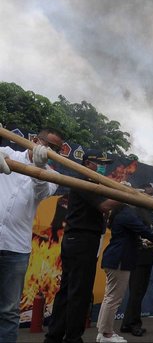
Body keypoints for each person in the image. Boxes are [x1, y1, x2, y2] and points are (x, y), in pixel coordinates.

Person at [45, 149, 120, 343]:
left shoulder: (92, 183)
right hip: (81, 241)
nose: (103, 168)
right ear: (88, 163)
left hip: (76, 241)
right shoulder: (84, 182)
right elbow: (104, 206)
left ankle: (54, 336)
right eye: (99, 163)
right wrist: (122, 194)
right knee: (80, 291)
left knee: (68, 290)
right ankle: (73, 338)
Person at [0, 127, 64, 343]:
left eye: (56, 149)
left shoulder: (53, 176)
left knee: (8, 310)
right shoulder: (10, 153)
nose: (50, 150)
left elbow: (42, 192)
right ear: (35, 140)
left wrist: (38, 168)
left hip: (16, 249)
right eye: (47, 144)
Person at [96, 202, 153, 343]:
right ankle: (106, 334)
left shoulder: (119, 214)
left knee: (109, 297)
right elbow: (144, 230)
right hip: (120, 260)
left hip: (115, 258)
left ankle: (103, 331)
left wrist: (144, 241)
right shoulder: (126, 214)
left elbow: (132, 235)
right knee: (114, 299)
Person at [120, 185, 153, 337]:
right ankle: (134, 324)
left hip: (146, 258)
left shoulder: (147, 211)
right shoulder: (136, 210)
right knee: (136, 292)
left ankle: (127, 323)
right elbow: (139, 232)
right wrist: (152, 237)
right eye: (150, 194)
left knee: (138, 293)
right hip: (139, 258)